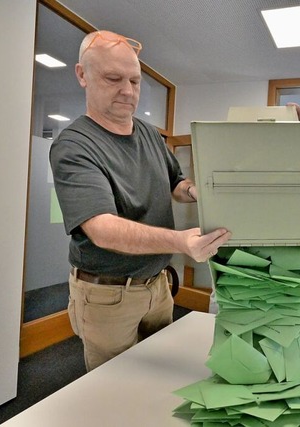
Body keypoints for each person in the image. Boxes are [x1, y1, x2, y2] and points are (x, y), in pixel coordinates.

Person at [50, 30, 231, 371]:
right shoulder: (74, 145)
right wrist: (180, 241)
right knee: (114, 388)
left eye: (134, 81)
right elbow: (102, 230)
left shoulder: (148, 133)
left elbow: (175, 181)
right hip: (108, 295)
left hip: (157, 286)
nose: (127, 91)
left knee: (157, 377)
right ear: (82, 75)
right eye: (113, 78)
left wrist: (196, 191)